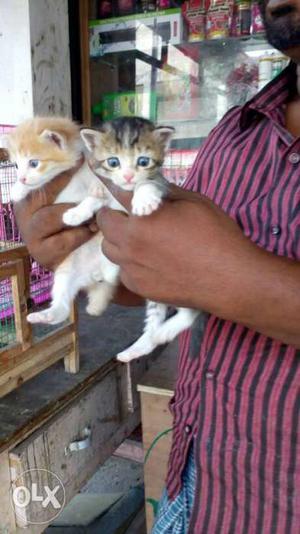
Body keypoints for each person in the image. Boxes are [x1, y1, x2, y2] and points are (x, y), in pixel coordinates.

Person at [14, 0, 299, 531]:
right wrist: (88, 257)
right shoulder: (239, 130)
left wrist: (234, 280)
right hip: (201, 480)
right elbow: (174, 278)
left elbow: (213, 277)